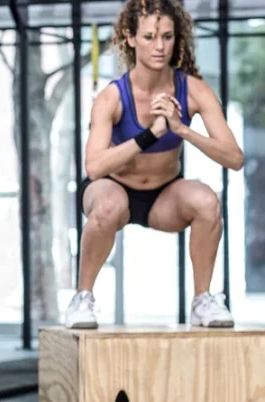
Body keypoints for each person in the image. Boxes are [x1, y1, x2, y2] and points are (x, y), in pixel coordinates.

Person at [66, 0, 244, 329]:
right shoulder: (113, 96)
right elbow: (94, 167)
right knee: (108, 204)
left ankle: (202, 299)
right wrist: (150, 135)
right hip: (112, 188)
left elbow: (234, 159)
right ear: (131, 38)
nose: (159, 46)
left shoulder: (192, 90)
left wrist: (182, 129)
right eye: (149, 37)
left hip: (163, 197)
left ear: (177, 38)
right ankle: (82, 298)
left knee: (207, 201)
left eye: (167, 36)